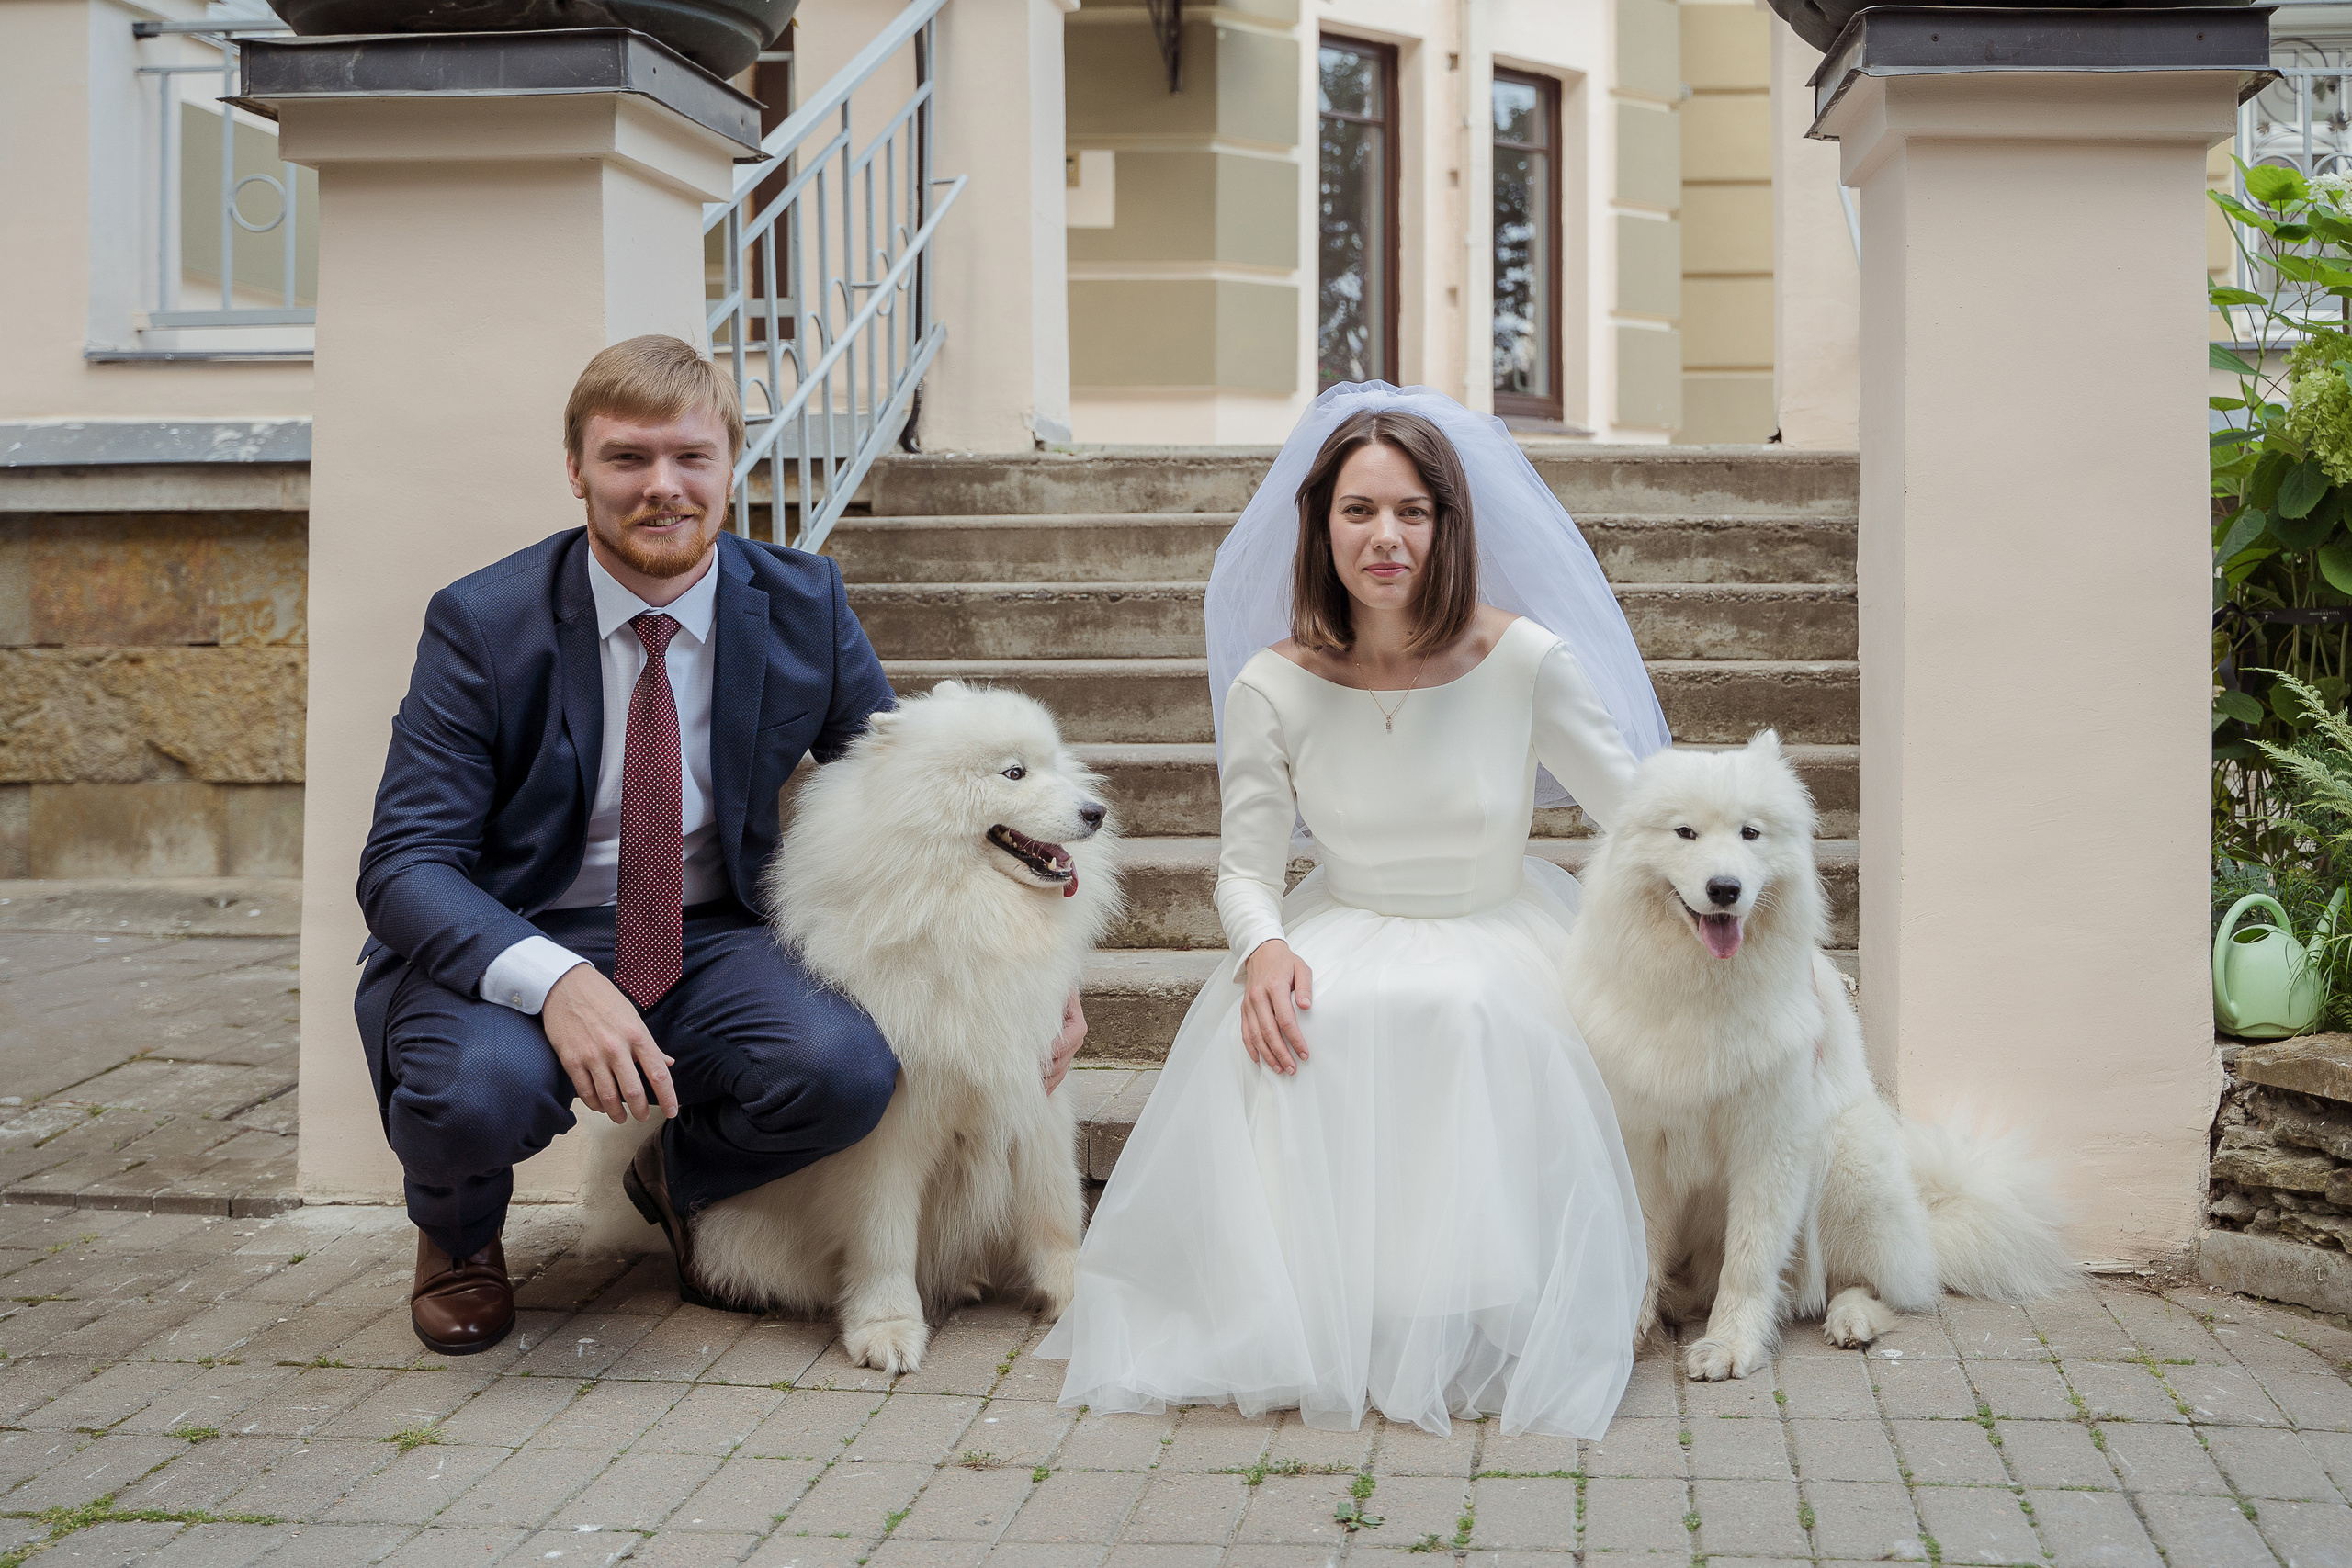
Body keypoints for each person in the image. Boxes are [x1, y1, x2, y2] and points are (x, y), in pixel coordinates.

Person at [356, 335, 1086, 1355]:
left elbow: (915, 797)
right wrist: (558, 982)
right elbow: (403, 866)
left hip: (712, 936)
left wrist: (1039, 967)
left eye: (691, 457)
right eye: (626, 458)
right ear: (576, 469)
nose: (662, 487)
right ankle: (460, 1237)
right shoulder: (484, 623)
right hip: (517, 932)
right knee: (472, 1094)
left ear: (731, 463)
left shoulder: (802, 603)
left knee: (844, 1068)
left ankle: (676, 1175)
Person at [1036, 383, 1668, 1438]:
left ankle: (1476, 1297)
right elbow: (1243, 867)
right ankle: (1335, 1303)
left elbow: (1644, 823)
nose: (1386, 537)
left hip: (1498, 924)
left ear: (1447, 527)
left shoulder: (1522, 660)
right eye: (1359, 510)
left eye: (1412, 511)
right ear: (1320, 525)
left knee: (1468, 1010)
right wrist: (1265, 948)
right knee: (1306, 1022)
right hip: (1339, 917)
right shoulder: (1272, 684)